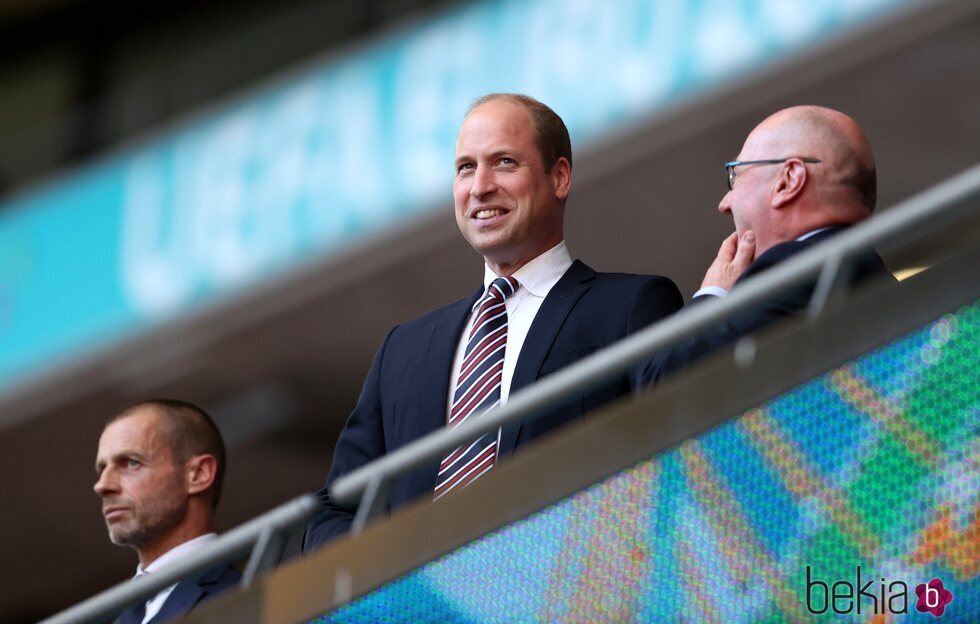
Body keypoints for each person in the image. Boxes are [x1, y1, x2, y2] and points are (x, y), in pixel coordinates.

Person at [303, 93, 683, 552]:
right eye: (466, 167)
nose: (479, 187)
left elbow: (678, 456)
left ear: (559, 176)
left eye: (503, 162)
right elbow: (337, 507)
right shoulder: (403, 350)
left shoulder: (630, 306)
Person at [643, 105, 894, 383]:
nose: (724, 204)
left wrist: (713, 296)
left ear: (788, 181)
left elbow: (663, 381)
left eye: (734, 176)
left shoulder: (796, 277)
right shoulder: (860, 273)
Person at [94, 399, 240, 624]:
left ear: (198, 474)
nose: (102, 485)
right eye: (102, 469)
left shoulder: (246, 599)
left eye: (131, 463)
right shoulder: (112, 615)